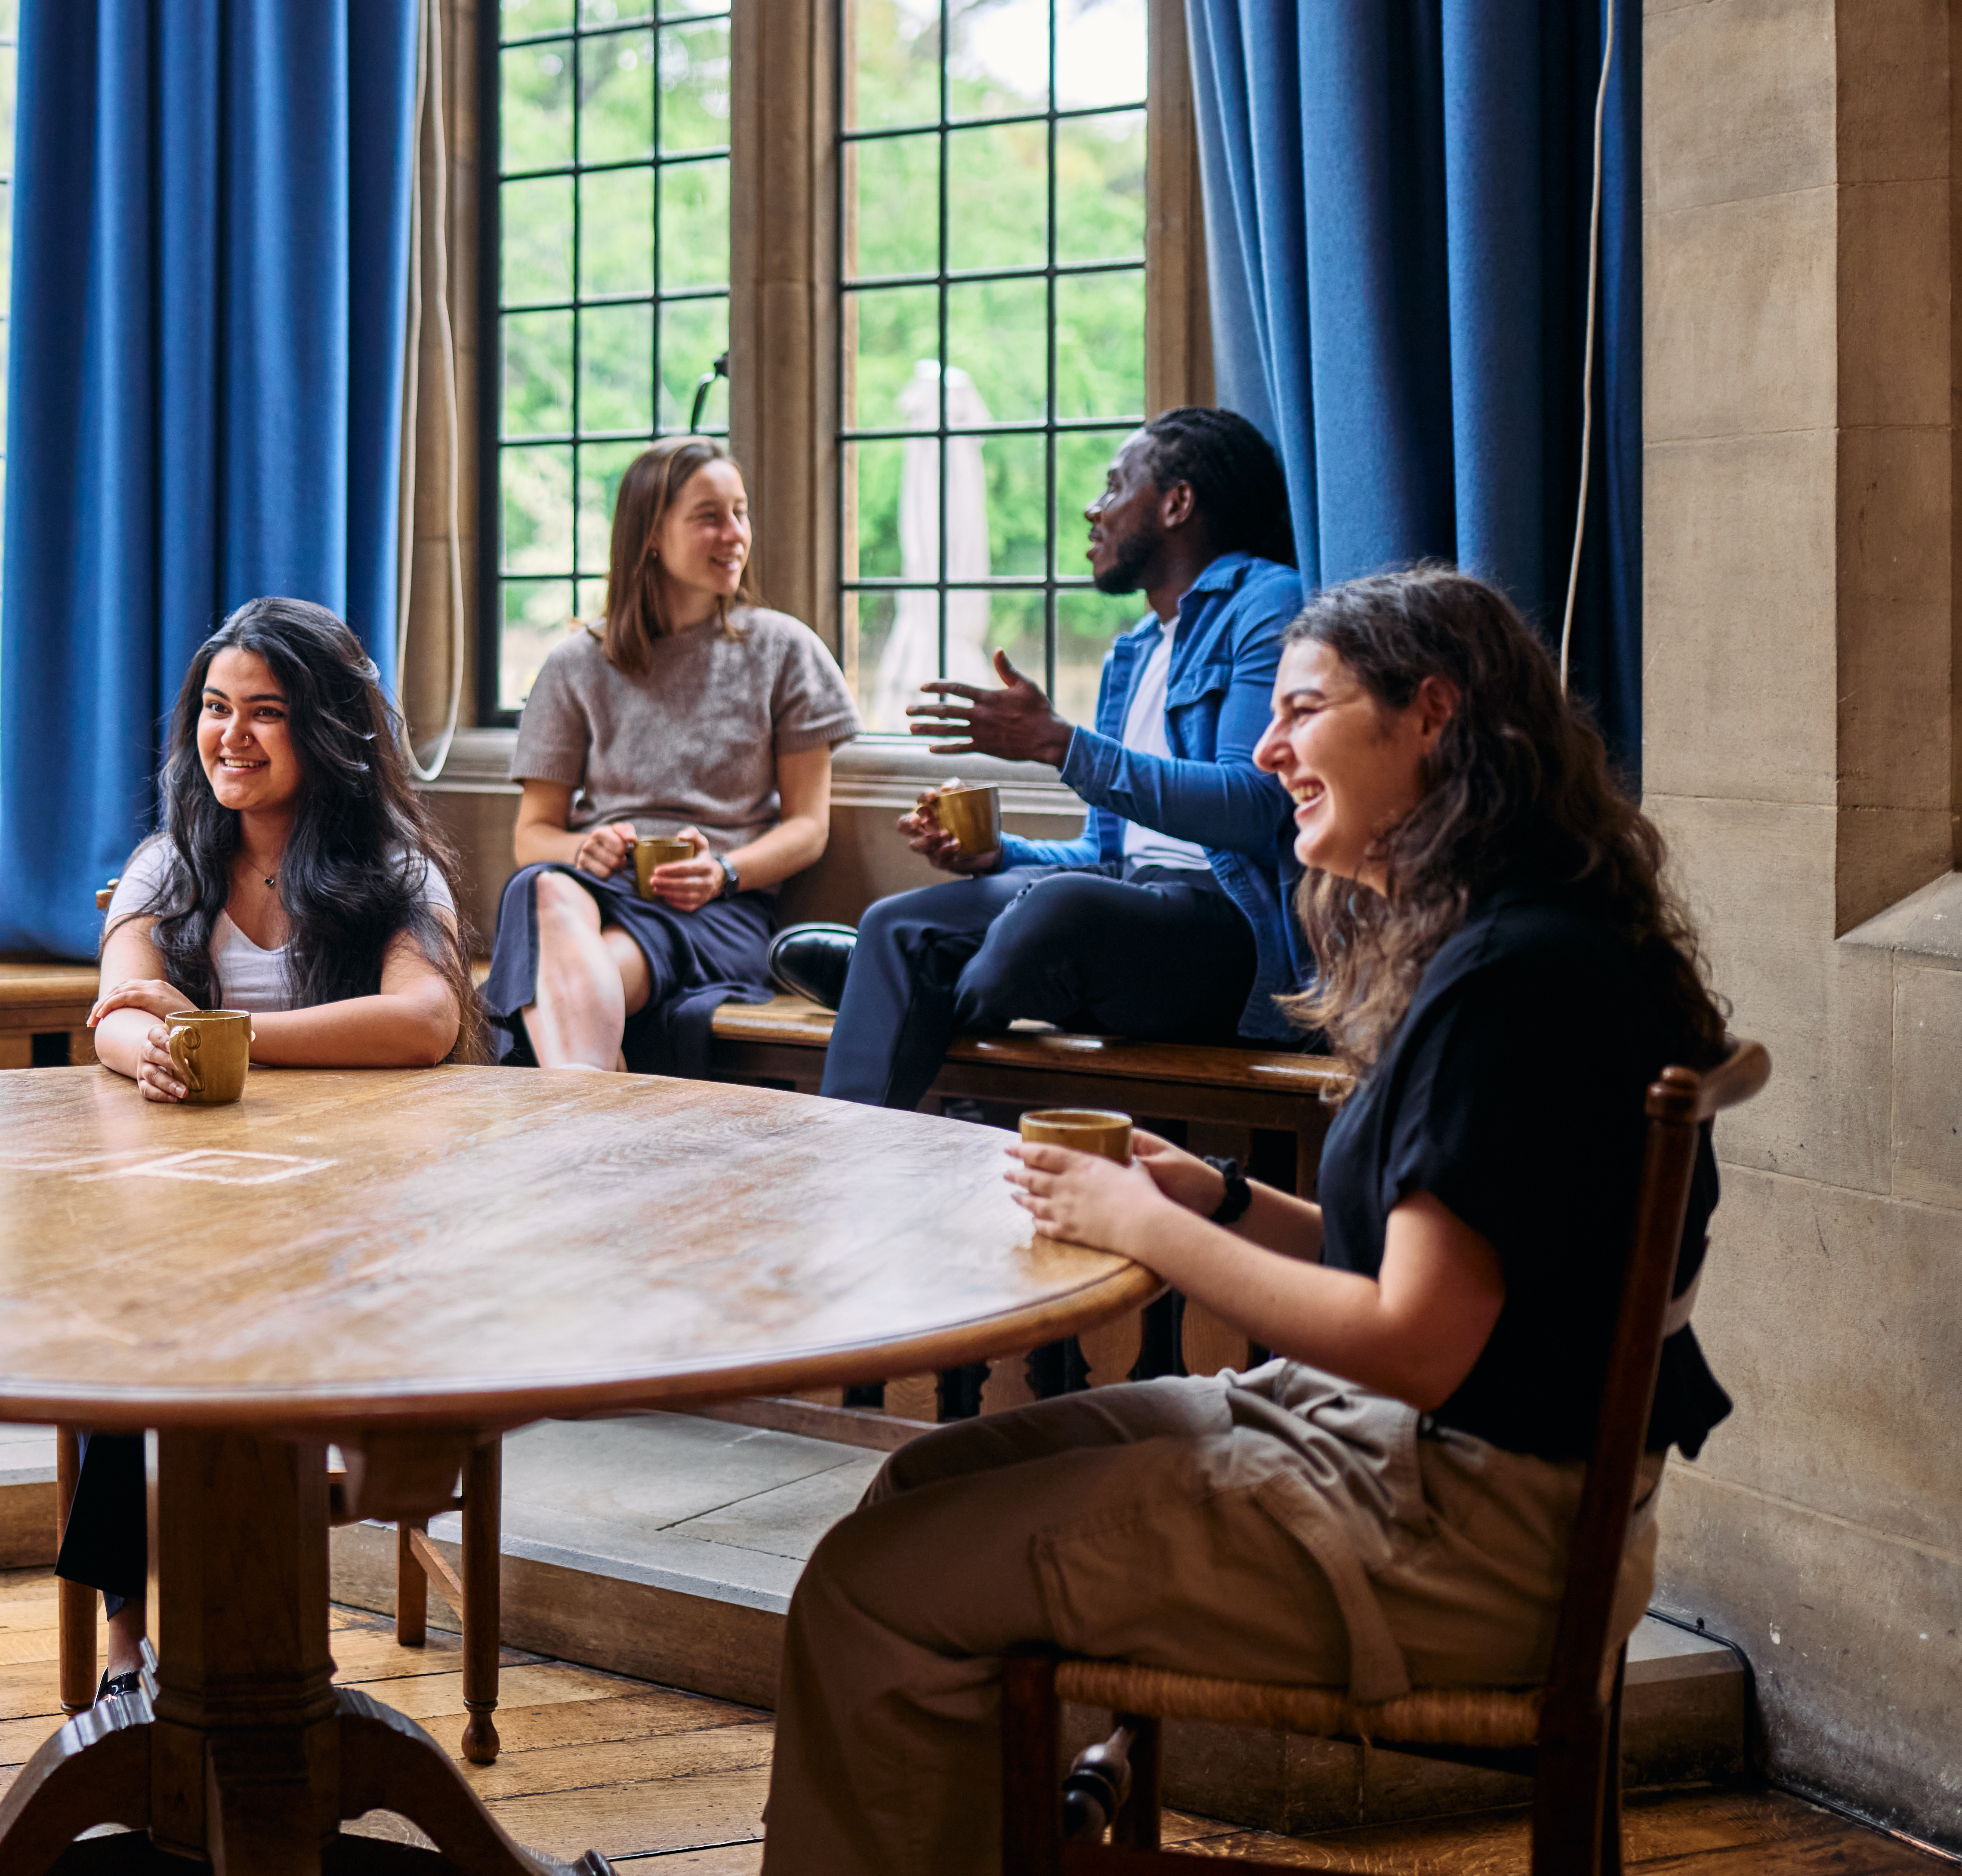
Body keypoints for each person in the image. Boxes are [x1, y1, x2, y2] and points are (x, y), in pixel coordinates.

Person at [759, 566, 1735, 1875]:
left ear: (1430, 715)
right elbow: (1433, 1279)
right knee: (920, 1482)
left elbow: (1416, 1339)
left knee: (870, 1587)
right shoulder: (1531, 936)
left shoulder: (1512, 982)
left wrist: (1143, 1225)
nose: (1267, 748)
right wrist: (1212, 1192)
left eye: (1304, 709)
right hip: (1456, 1476)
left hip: (1457, 1541)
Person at [72, 598, 470, 1688]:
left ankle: (283, 1633)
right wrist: (144, 1053)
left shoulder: (394, 872)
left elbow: (424, 1021)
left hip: (349, 1207)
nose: (228, 738)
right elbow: (117, 1012)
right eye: (212, 709)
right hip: (188, 1200)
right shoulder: (168, 863)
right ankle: (126, 1644)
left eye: (265, 713)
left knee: (268, 1319)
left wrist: (218, 1036)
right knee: (125, 1330)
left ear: (328, 729)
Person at [813, 408, 1310, 1115]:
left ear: (1178, 502)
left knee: (1054, 910)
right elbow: (1104, 851)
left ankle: (898, 995)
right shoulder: (1135, 649)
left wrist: (1060, 744)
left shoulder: (1266, 602)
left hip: (1224, 926)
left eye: (1114, 486)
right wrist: (996, 854)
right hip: (1124, 893)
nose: (1093, 508)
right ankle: (840, 1160)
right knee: (892, 925)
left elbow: (1254, 806)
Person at [484, 438, 861, 1073]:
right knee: (541, 886)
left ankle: (583, 1116)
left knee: (568, 978)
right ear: (652, 534)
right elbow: (533, 835)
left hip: (718, 910)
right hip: (598, 891)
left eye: (741, 513)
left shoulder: (786, 650)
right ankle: (594, 1107)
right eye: (710, 516)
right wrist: (584, 848)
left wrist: (725, 871)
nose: (735, 533)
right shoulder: (574, 664)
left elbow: (808, 827)